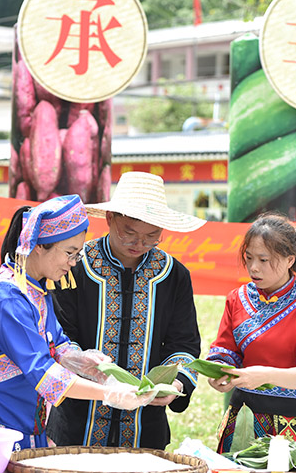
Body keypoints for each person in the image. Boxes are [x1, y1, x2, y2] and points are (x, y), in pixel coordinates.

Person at [0, 194, 155, 449]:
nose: (72, 263)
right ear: (39, 245)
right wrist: (110, 394)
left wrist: (80, 360)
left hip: (27, 422)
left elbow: (55, 342)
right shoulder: (7, 299)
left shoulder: (35, 288)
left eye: (78, 255)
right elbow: (43, 373)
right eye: (70, 253)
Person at [47, 172, 205, 450]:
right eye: (129, 233)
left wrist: (175, 385)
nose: (139, 244)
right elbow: (58, 334)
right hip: (77, 422)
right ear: (110, 219)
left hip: (146, 426)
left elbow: (185, 344)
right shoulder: (74, 267)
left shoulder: (174, 275)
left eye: (152, 236)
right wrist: (84, 363)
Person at [206, 212, 296, 452]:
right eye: (249, 258)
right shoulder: (237, 299)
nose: (254, 268)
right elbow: (226, 351)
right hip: (244, 417)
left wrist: (264, 375)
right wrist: (219, 372)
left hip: (295, 423)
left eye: (264, 260)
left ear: (290, 260)